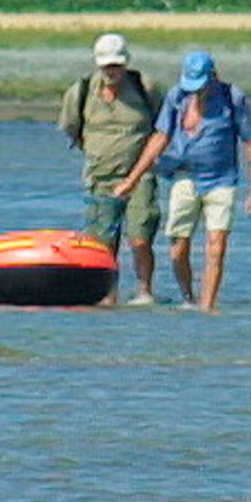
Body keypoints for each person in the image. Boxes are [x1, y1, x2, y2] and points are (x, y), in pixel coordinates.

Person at [113, 50, 251, 312]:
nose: (196, 91)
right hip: (184, 176)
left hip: (221, 180)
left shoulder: (232, 97)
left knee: (216, 245)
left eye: (201, 86)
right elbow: (160, 138)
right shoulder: (177, 96)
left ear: (213, 76)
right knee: (177, 246)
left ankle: (208, 305)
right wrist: (132, 179)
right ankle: (189, 297)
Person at [56, 32, 159, 304]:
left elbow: (162, 130)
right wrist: (96, 153)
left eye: (116, 65)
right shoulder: (80, 91)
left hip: (140, 176)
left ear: (126, 63)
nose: (111, 71)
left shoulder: (145, 87)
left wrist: (142, 166)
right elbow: (71, 128)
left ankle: (144, 292)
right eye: (106, 66)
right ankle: (108, 295)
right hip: (100, 178)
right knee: (102, 243)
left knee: (140, 238)